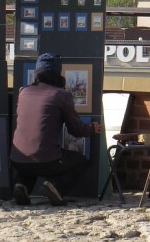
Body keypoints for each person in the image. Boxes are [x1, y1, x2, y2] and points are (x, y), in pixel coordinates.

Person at [10, 53, 103, 206]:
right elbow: (76, 130)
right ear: (58, 73)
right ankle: (55, 187)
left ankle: (21, 185)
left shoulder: (23, 92)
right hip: (46, 160)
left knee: (31, 159)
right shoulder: (61, 95)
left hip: (17, 159)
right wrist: (91, 129)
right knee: (81, 161)